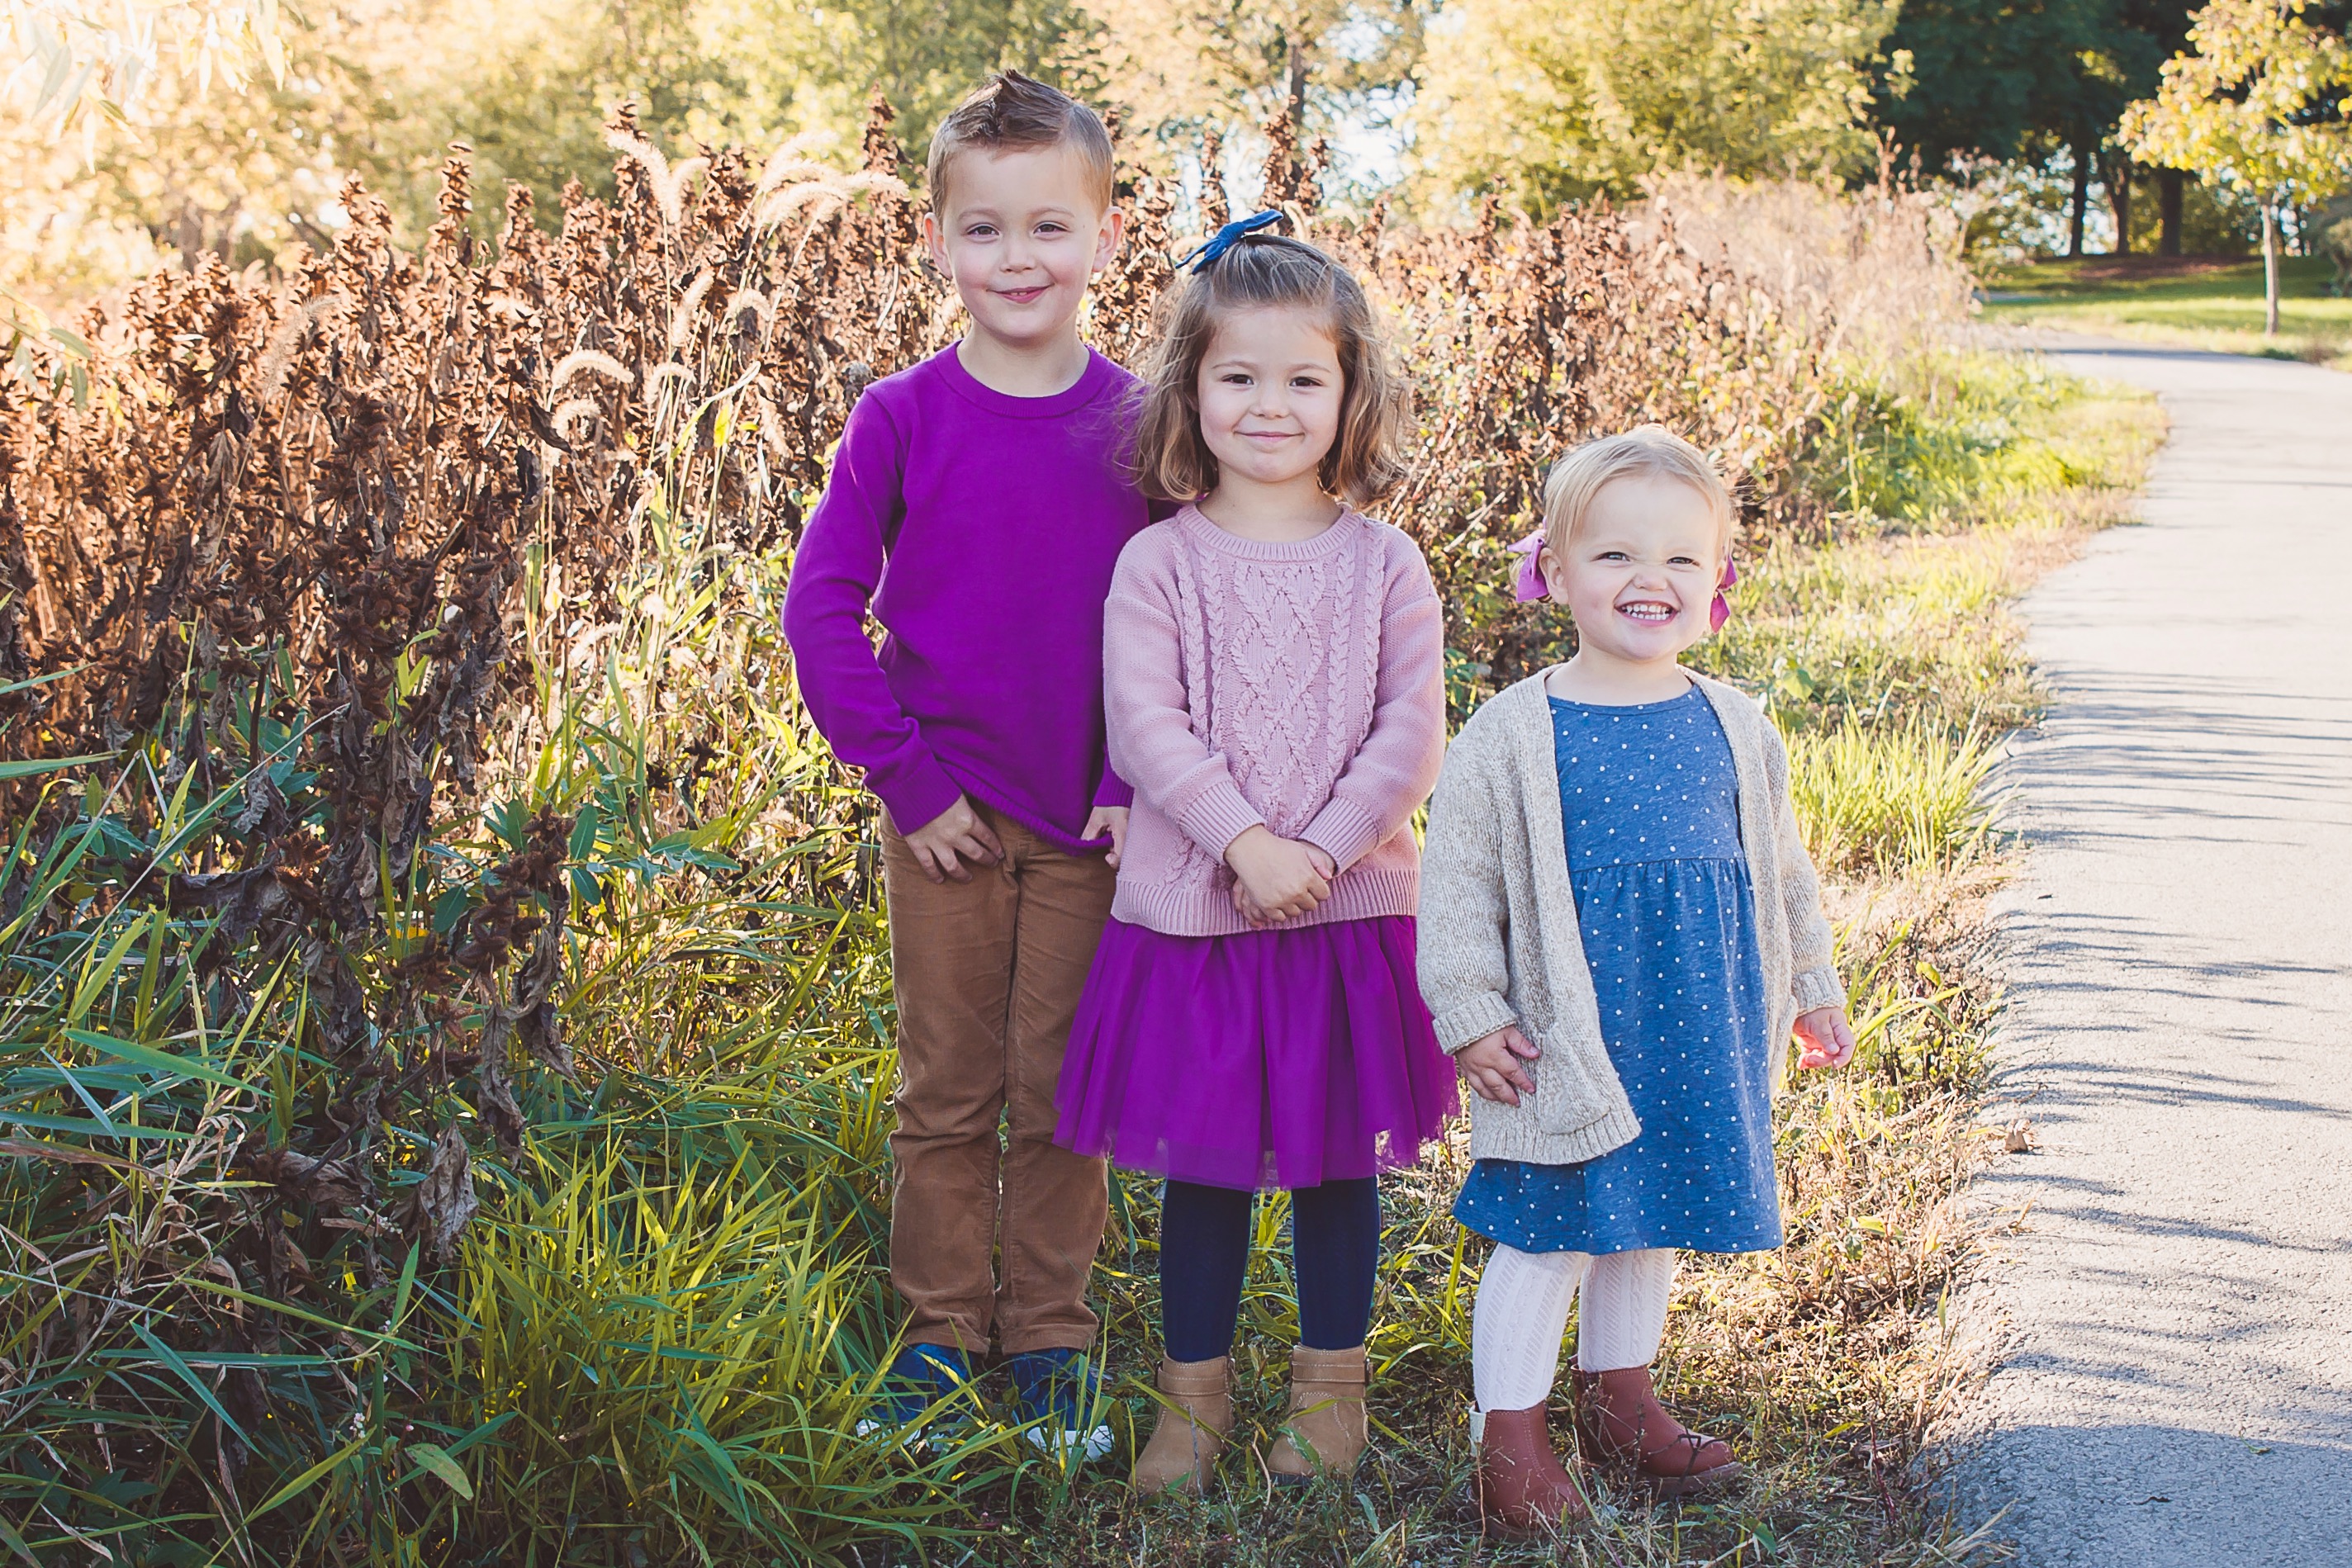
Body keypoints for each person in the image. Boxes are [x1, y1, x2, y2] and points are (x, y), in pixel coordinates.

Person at [1052, 218, 1457, 1495]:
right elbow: (1146, 725)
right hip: (1194, 916)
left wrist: (1321, 853)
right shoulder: (1158, 561)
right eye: (1238, 377)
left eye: (1304, 379)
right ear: (1191, 391)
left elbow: (1410, 733)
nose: (1270, 405)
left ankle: (1329, 1402)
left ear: (1350, 396)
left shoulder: (1386, 563)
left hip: (1346, 915)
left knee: (1341, 1169)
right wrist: (1242, 841)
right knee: (1205, 1176)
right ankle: (1195, 1406)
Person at [780, 70, 1148, 1461]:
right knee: (945, 1085)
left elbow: (1184, 615)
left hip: (1093, 818)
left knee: (1063, 1090)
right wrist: (905, 781)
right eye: (984, 231)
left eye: (1049, 228)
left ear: (1105, 238)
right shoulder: (902, 416)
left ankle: (1050, 1345)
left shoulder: (1144, 422)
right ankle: (936, 1341)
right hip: (944, 819)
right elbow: (823, 605)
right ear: (937, 243)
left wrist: (1133, 782)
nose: (1017, 260)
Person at [1416, 427, 1858, 1532]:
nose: (1648, 580)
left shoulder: (1737, 724)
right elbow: (1458, 888)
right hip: (1570, 1033)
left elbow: (1782, 873)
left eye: (1680, 560)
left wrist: (1813, 986)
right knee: (1555, 1225)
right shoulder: (1511, 734)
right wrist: (1471, 1013)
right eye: (1613, 557)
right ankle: (1507, 1443)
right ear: (1553, 573)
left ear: (1719, 584)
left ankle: (1620, 1402)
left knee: (1649, 1216)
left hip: (1699, 1019)